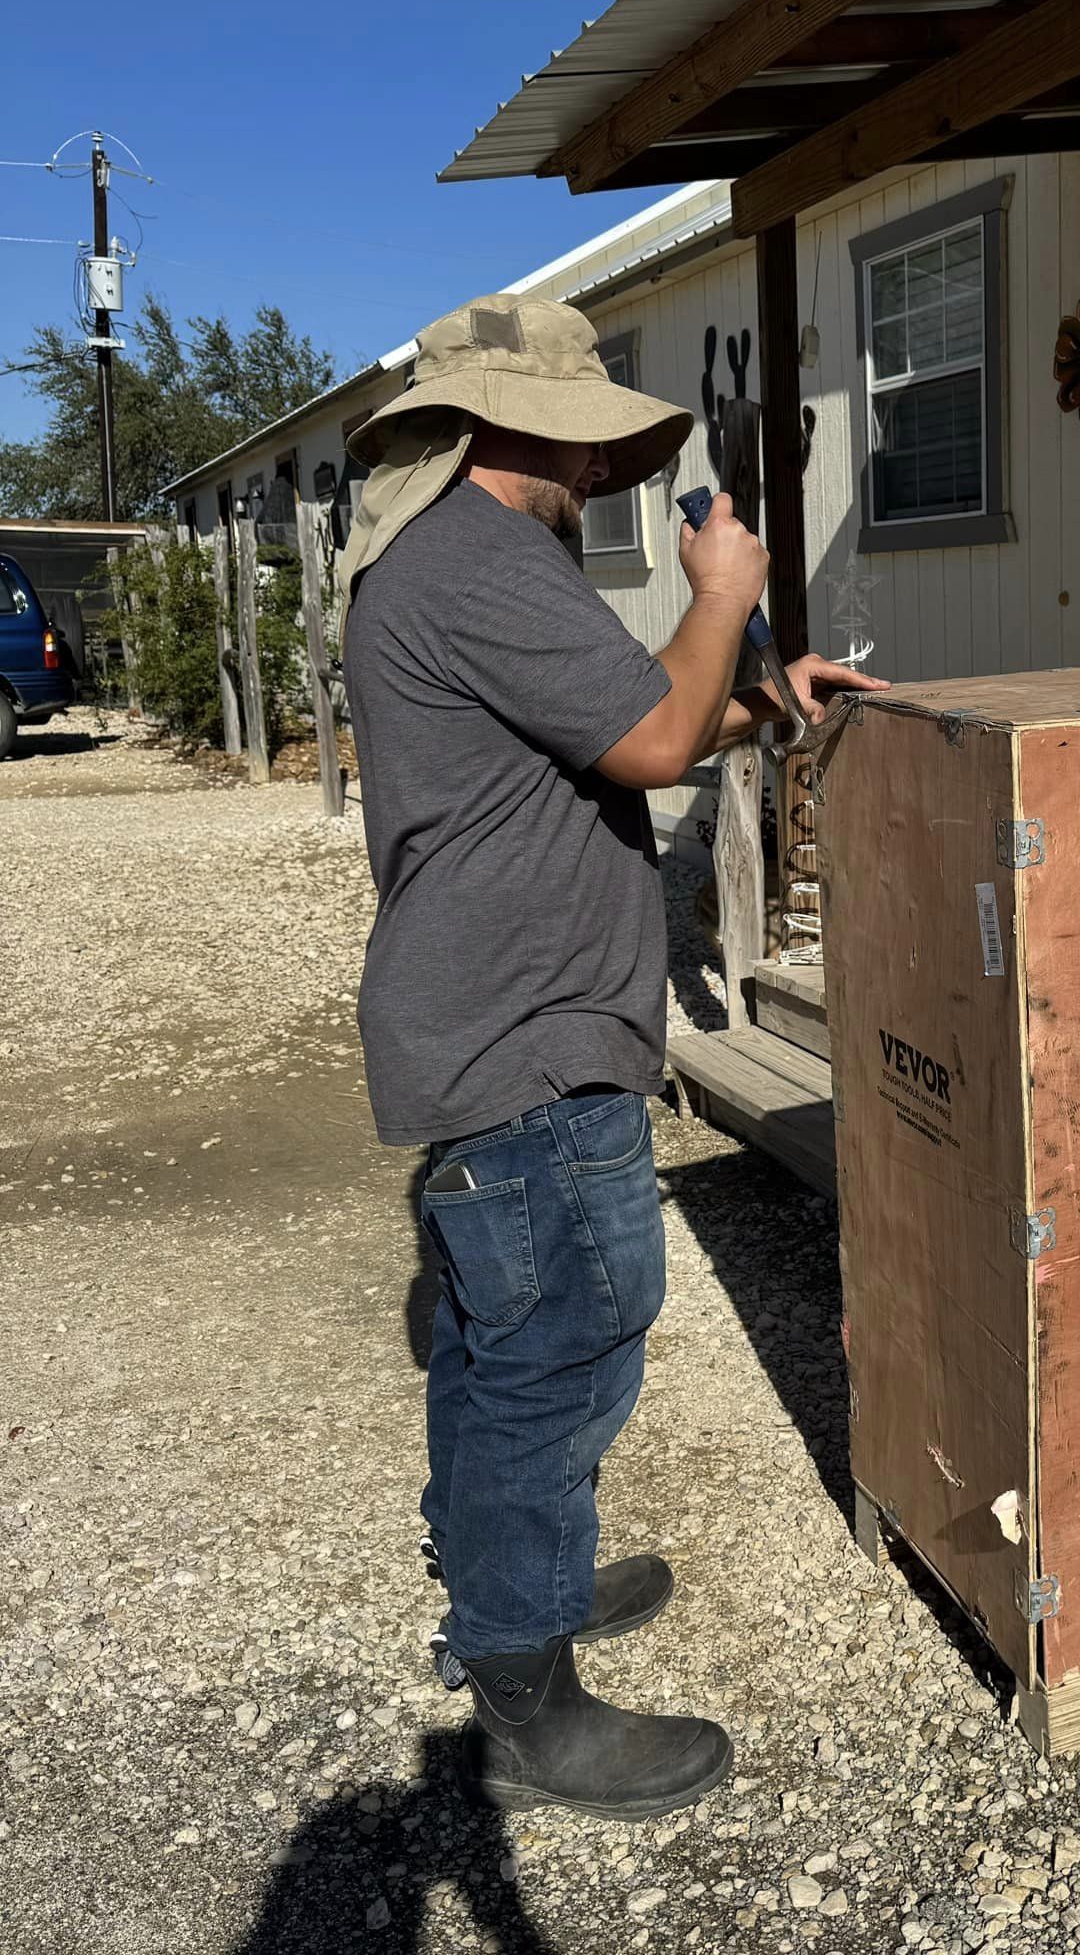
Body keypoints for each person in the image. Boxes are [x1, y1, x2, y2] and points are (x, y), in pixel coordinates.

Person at [337, 293, 884, 1821]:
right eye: (580, 430)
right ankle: (523, 1704)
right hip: (521, 1029)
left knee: (499, 1341)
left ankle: (532, 1580)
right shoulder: (478, 556)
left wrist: (765, 682)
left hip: (496, 1015)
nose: (601, 464)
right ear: (520, 423)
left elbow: (620, 720)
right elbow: (646, 740)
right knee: (564, 1339)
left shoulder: (453, 557)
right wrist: (726, 588)